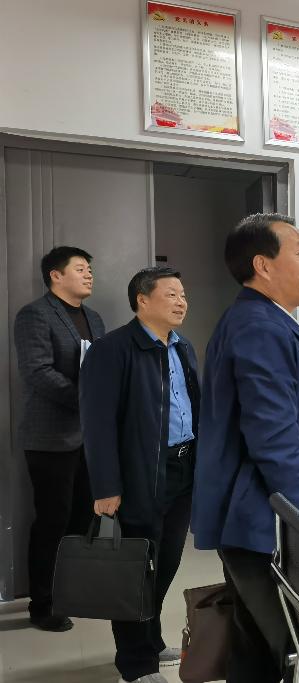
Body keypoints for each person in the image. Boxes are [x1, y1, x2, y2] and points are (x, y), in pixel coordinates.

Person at [192, 213, 299, 683]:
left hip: (264, 513)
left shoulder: (266, 320)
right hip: (267, 518)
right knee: (293, 651)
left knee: (254, 645)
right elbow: (273, 439)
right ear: (263, 265)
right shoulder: (260, 326)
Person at [80, 266, 197, 683]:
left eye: (183, 294)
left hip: (182, 468)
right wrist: (106, 486)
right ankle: (135, 666)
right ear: (142, 300)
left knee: (164, 565)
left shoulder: (182, 347)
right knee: (134, 571)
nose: (181, 302)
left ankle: (151, 640)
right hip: (138, 475)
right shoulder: (112, 349)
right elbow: (97, 423)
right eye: (171, 294)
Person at [13, 246, 105, 632]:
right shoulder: (35, 314)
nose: (89, 275)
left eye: (89, 269)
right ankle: (42, 604)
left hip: (88, 436)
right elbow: (37, 371)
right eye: (81, 269)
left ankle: (69, 592)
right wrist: (84, 397)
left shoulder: (94, 318)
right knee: (53, 520)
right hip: (50, 436)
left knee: (83, 518)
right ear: (56, 275)